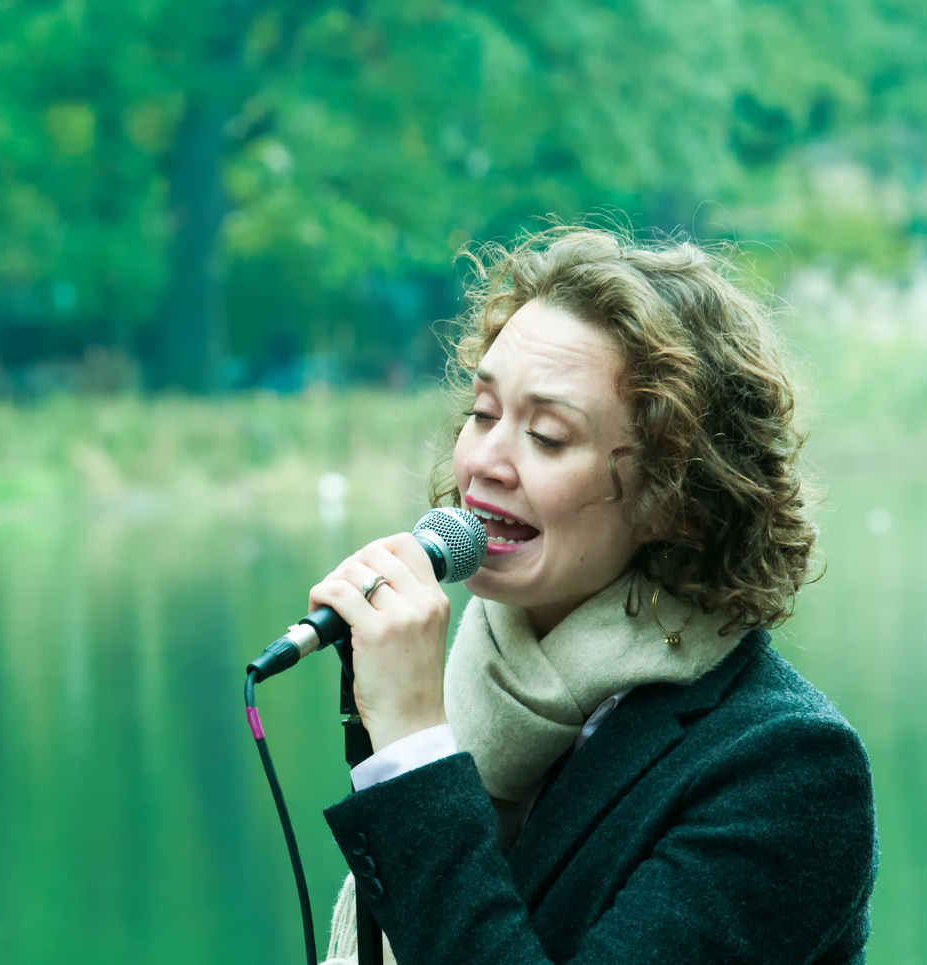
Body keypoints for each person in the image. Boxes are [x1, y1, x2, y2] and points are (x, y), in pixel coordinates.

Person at [311, 228, 875, 964]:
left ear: (675, 494)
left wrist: (415, 757)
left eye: (546, 435)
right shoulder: (479, 686)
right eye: (483, 414)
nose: (483, 460)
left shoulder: (785, 771)